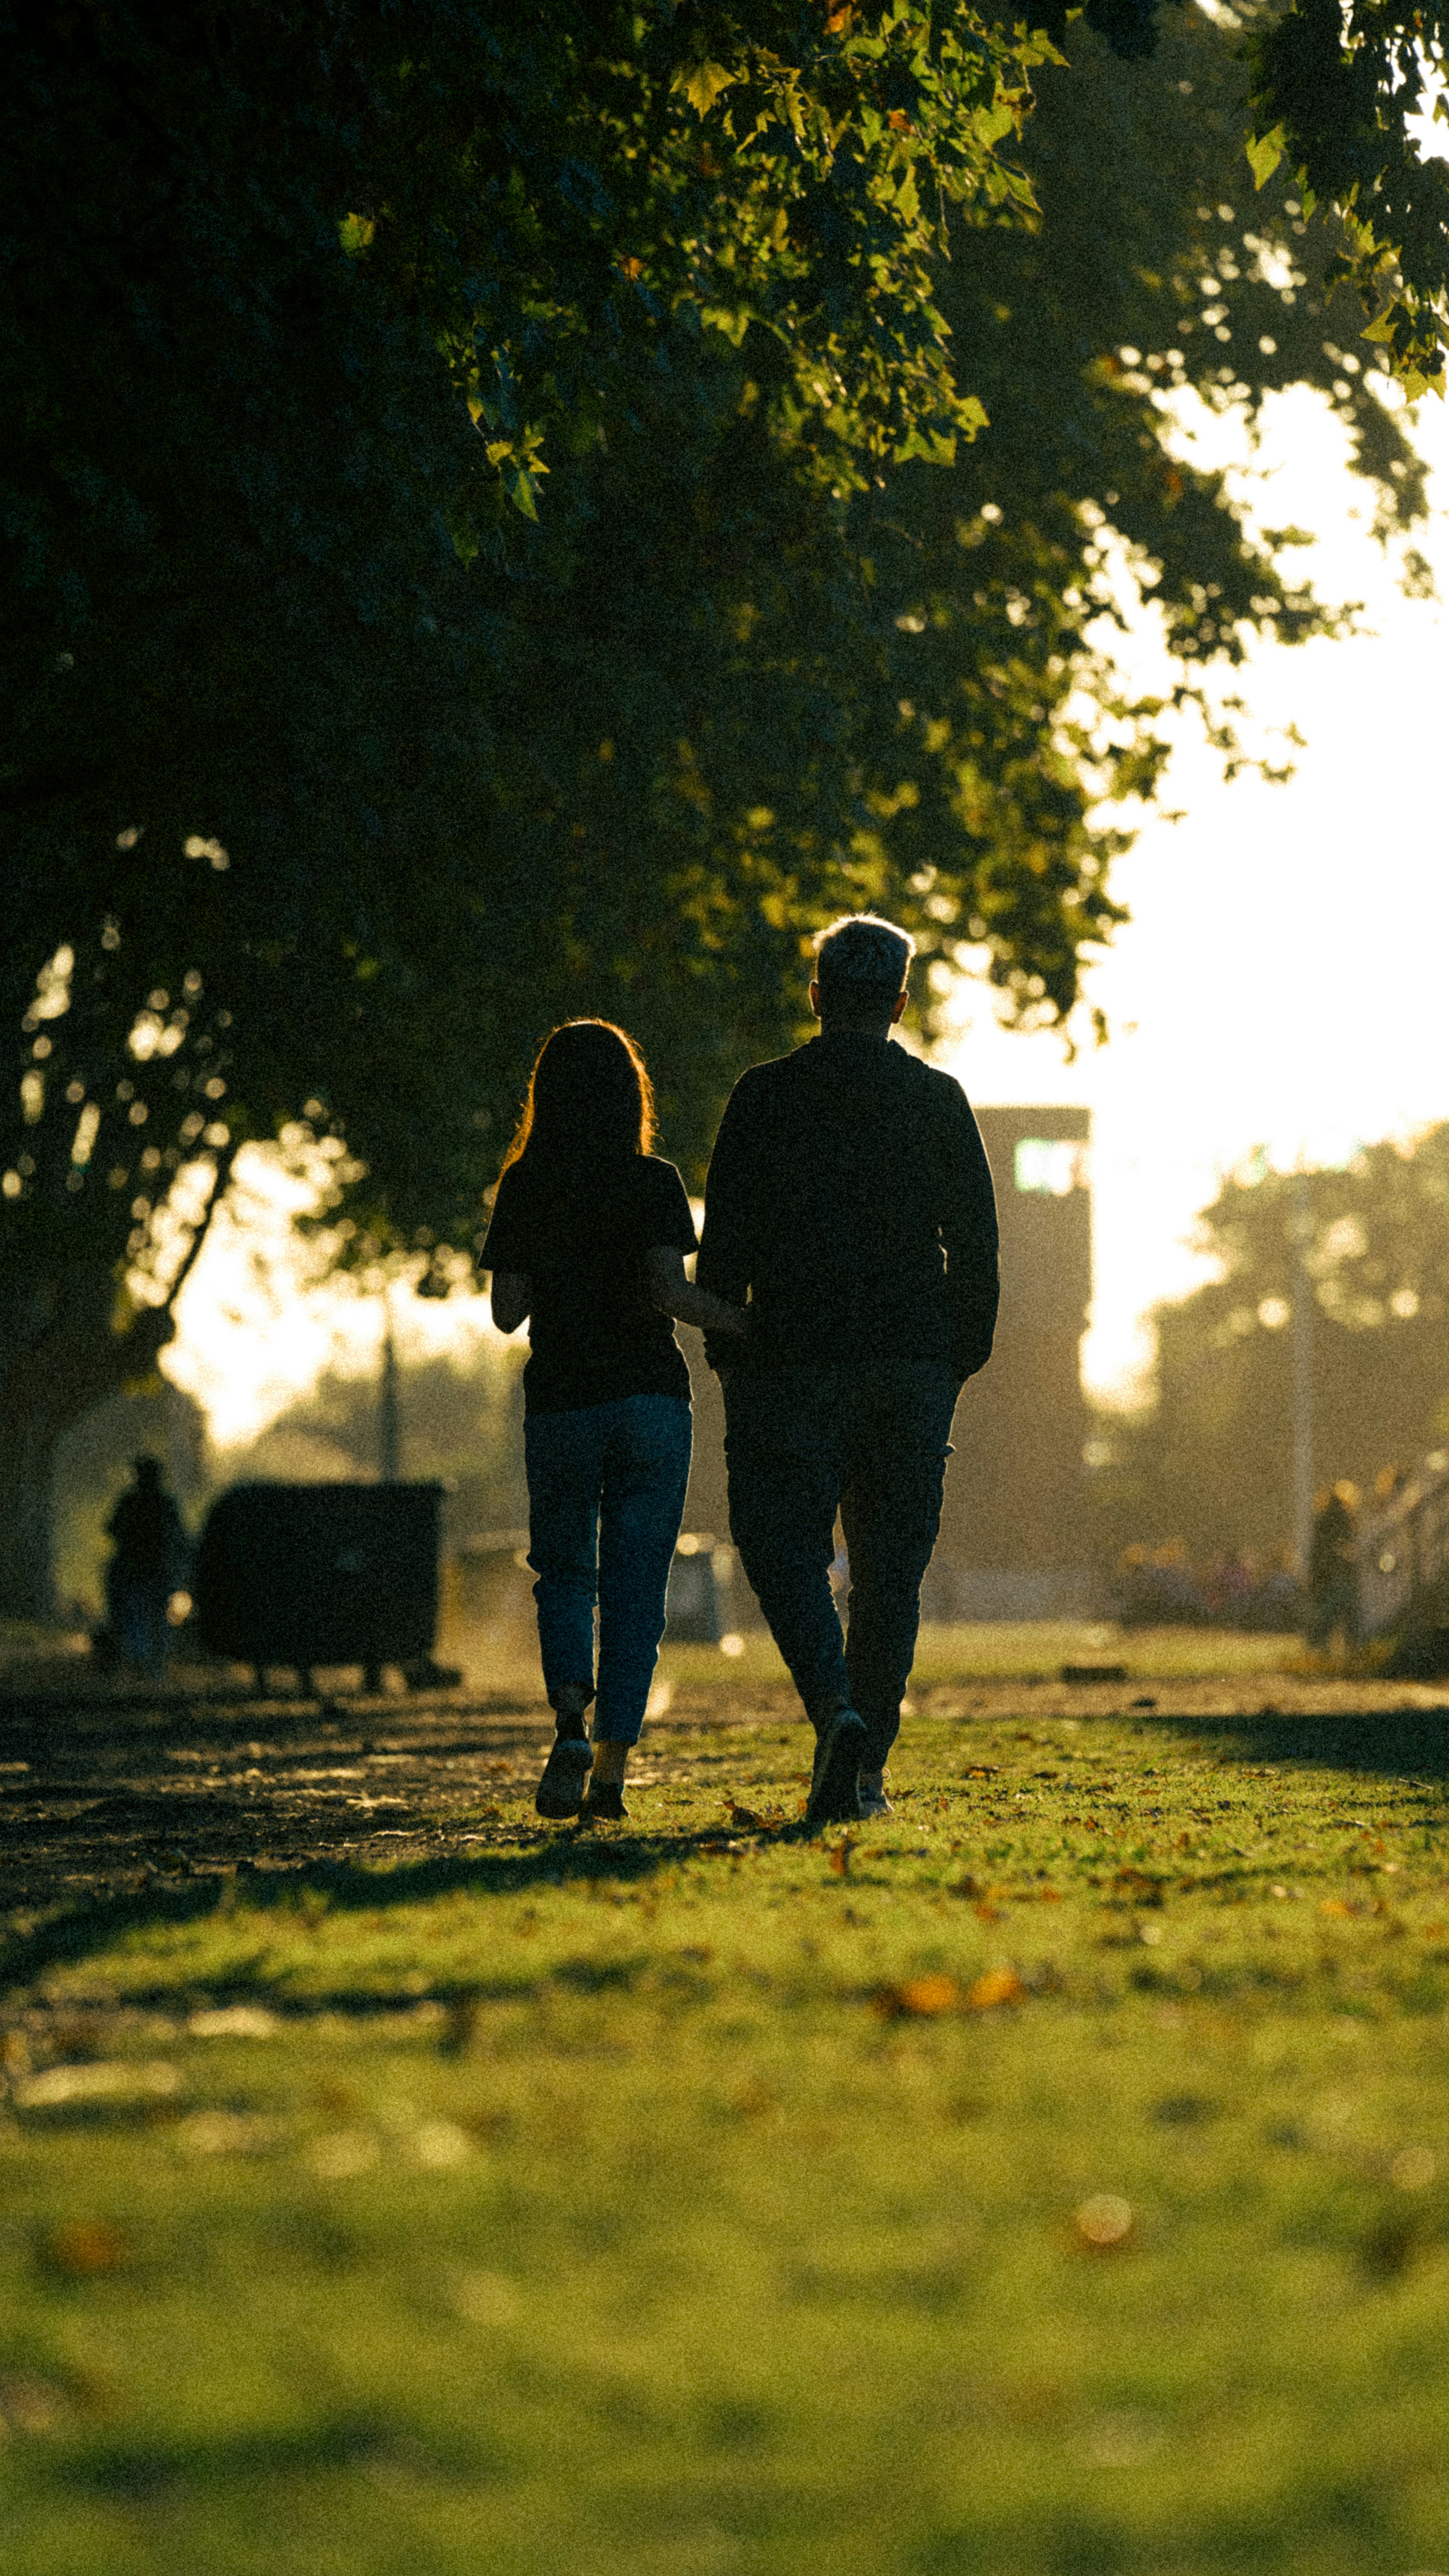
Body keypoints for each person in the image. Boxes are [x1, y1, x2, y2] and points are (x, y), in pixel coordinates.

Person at [697, 914, 999, 1825]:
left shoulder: (762, 1096)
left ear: (817, 996)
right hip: (908, 1364)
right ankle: (866, 1772)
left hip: (789, 1361)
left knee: (780, 1547)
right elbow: (975, 1248)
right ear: (900, 1002)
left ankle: (835, 1710)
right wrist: (956, 1360)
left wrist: (729, 1352)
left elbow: (726, 1245)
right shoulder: (937, 1100)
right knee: (888, 1577)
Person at [483, 1020, 749, 1820]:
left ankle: (569, 1722)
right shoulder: (654, 1180)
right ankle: (612, 1774)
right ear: (631, 1093)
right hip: (649, 1401)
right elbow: (671, 1291)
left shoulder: (525, 1186)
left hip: (563, 1399)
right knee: (638, 1588)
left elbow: (505, 1313)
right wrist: (745, 1325)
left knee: (564, 1572)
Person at [105, 1455, 188, 1679]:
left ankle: (141, 1660)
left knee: (136, 1615)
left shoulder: (131, 1502)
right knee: (156, 1617)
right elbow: (180, 1538)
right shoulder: (165, 1503)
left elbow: (112, 1530)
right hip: (155, 1570)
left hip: (136, 1570)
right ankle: (153, 1663)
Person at [1307, 1480, 1360, 1653]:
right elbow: (1344, 1545)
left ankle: (1320, 1647)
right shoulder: (1341, 1517)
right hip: (1338, 1573)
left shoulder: (1324, 1517)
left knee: (1329, 1610)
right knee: (1343, 1609)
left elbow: (1319, 1548)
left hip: (1324, 1572)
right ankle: (1351, 1648)